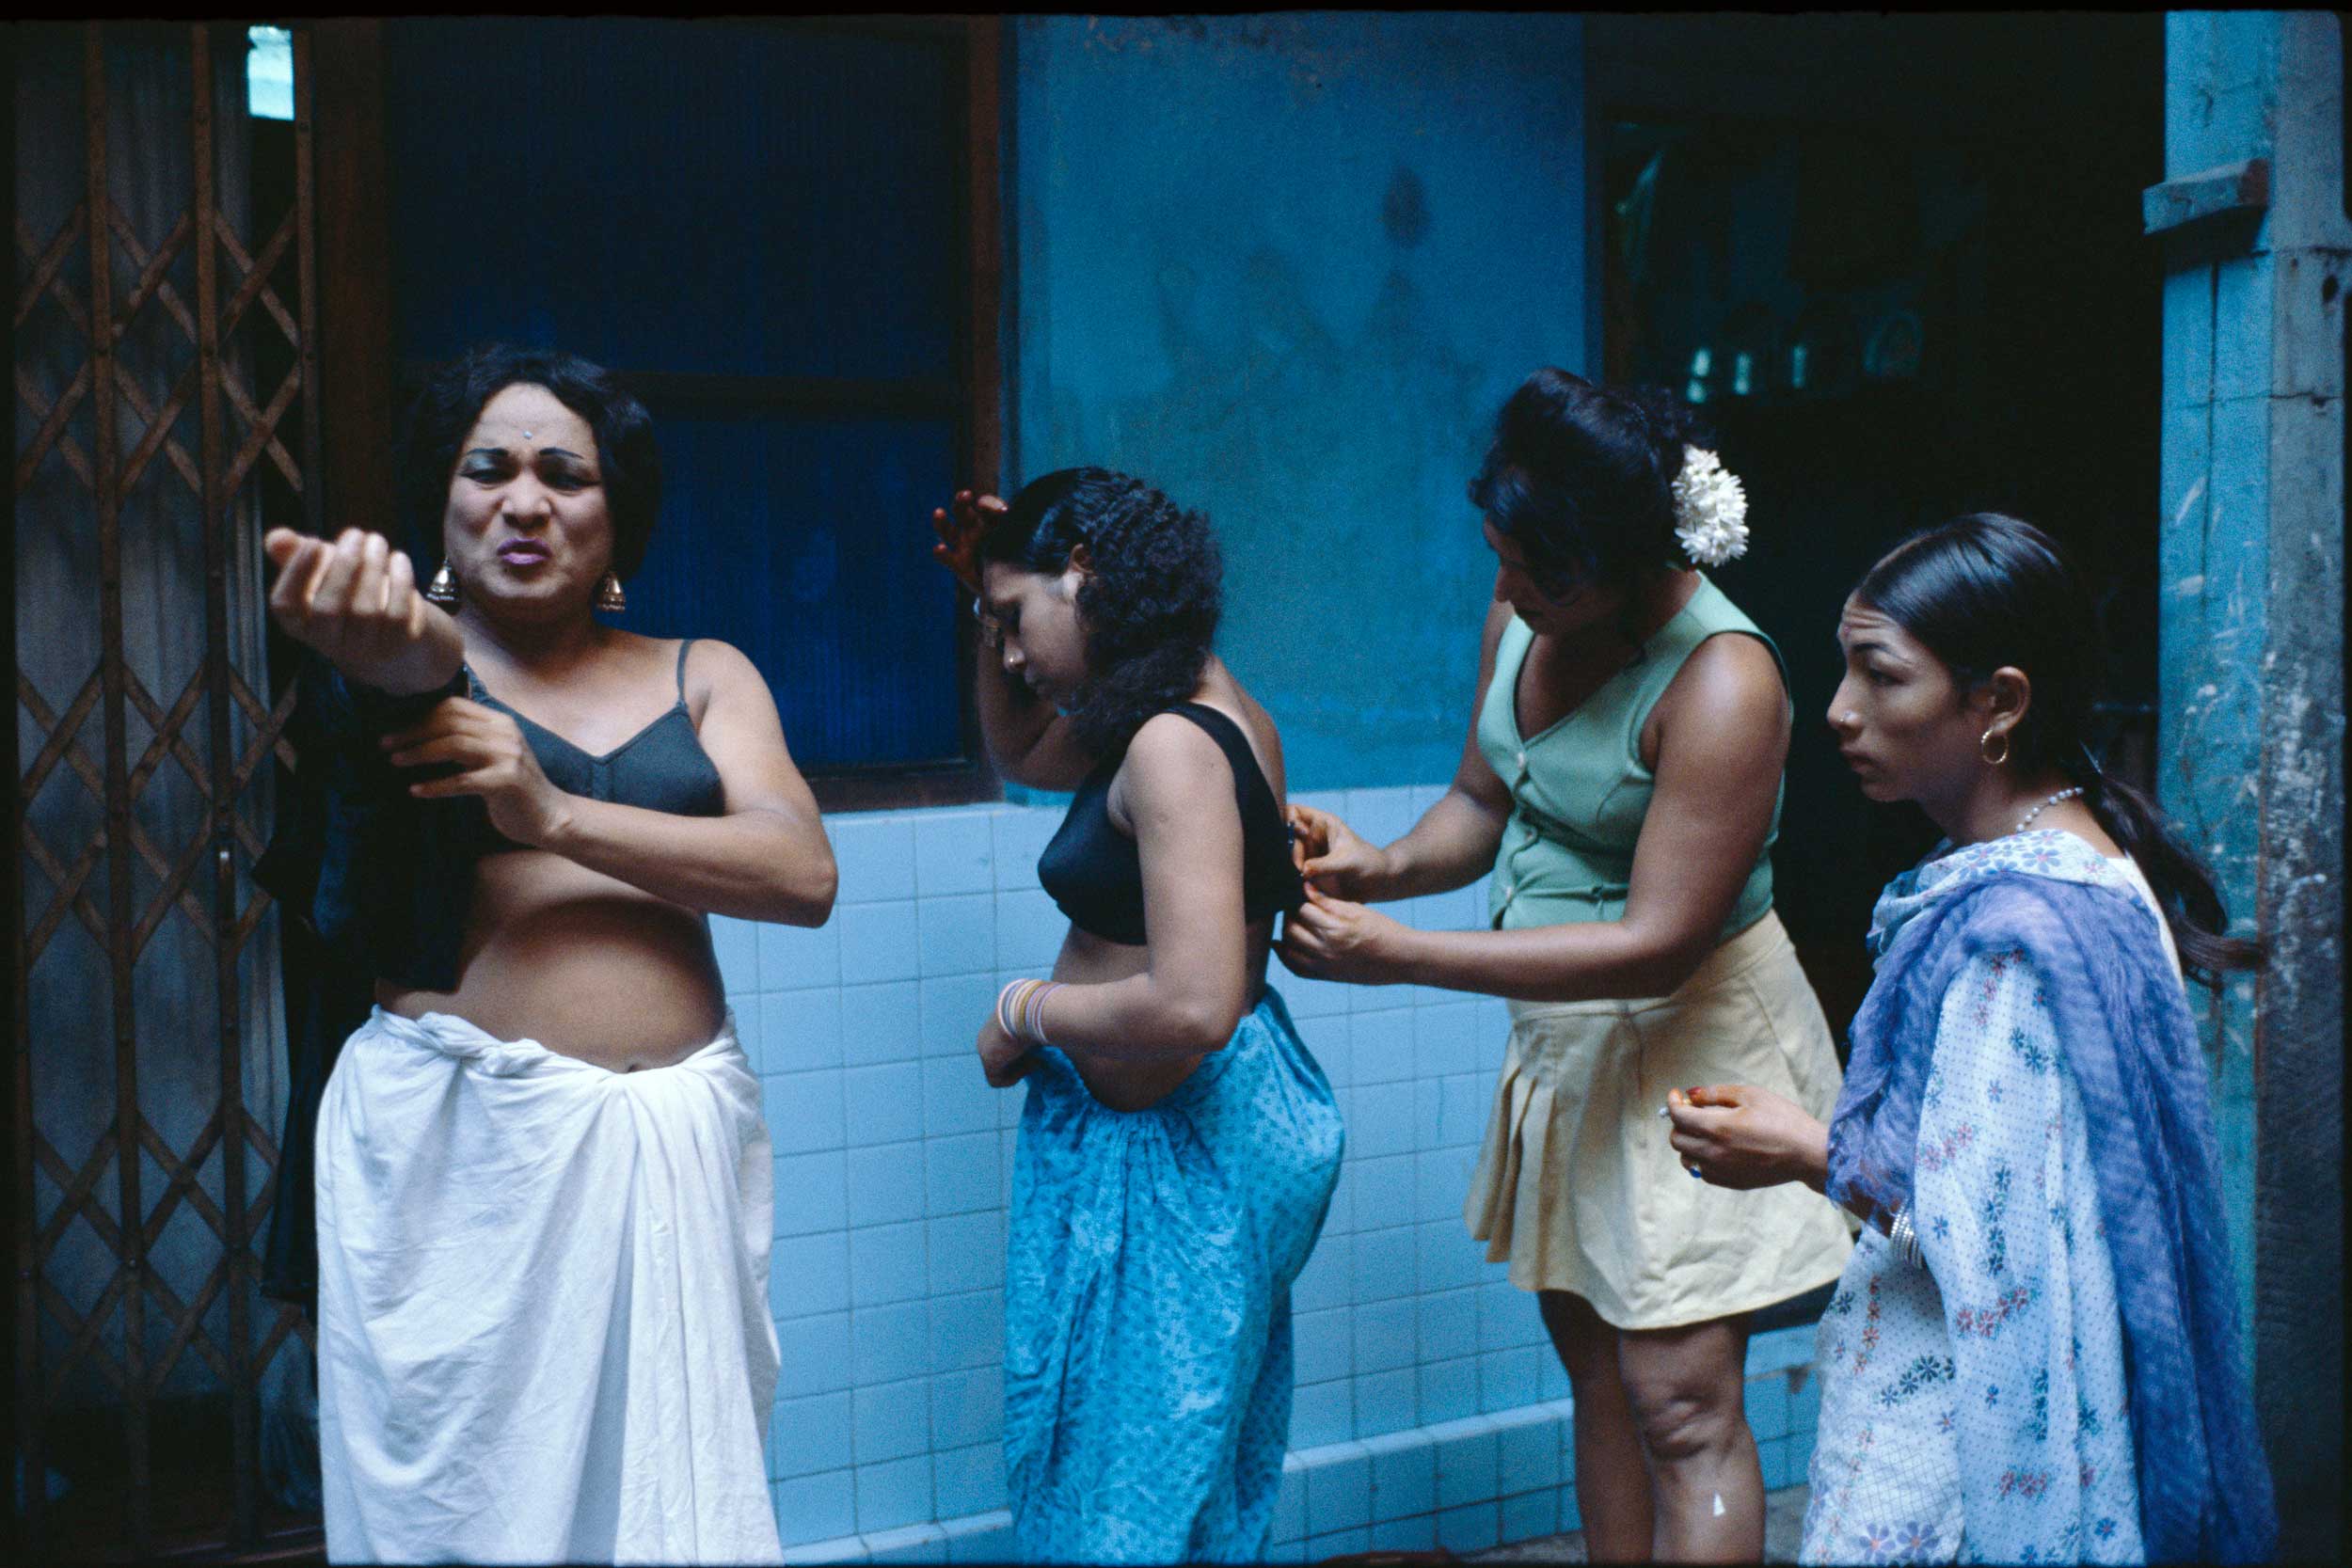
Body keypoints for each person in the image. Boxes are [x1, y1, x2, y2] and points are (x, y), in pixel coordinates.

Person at [256, 344, 836, 1564]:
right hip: (466, 1165)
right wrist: (382, 639)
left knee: (668, 1516)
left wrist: (556, 812)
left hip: (672, 1150)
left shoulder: (704, 672)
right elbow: (415, 664)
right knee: (473, 1522)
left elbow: (800, 873)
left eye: (565, 473)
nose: (525, 499)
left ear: (616, 517)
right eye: (489, 468)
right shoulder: (405, 667)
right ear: (443, 503)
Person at [1278, 368, 1851, 1561]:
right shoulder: (1529, 612)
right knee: (1596, 1369)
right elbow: (1484, 800)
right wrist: (1378, 866)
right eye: (1499, 558)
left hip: (1695, 1048)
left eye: (1534, 572)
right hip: (1569, 1040)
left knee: (1680, 1402)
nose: (1504, 590)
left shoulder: (1723, 680)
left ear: (1625, 560)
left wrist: (1400, 955)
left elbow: (1658, 941)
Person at [1666, 513, 2277, 1564]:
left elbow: (1995, 1251)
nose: (1840, 709)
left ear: (1997, 702)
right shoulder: (2082, 860)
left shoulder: (2015, 942)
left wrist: (1805, 1149)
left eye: (1881, 676)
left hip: (1954, 1445)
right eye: (1846, 669)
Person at [928, 470, 1344, 1564]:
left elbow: (1195, 1002)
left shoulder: (1171, 742)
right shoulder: (1190, 704)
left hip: (1174, 1160)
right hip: (1178, 1138)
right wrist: (984, 605)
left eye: (1015, 618)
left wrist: (1026, 1010)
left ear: (1085, 576)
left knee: (1128, 1501)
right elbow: (1022, 750)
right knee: (1175, 1483)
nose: (1012, 653)